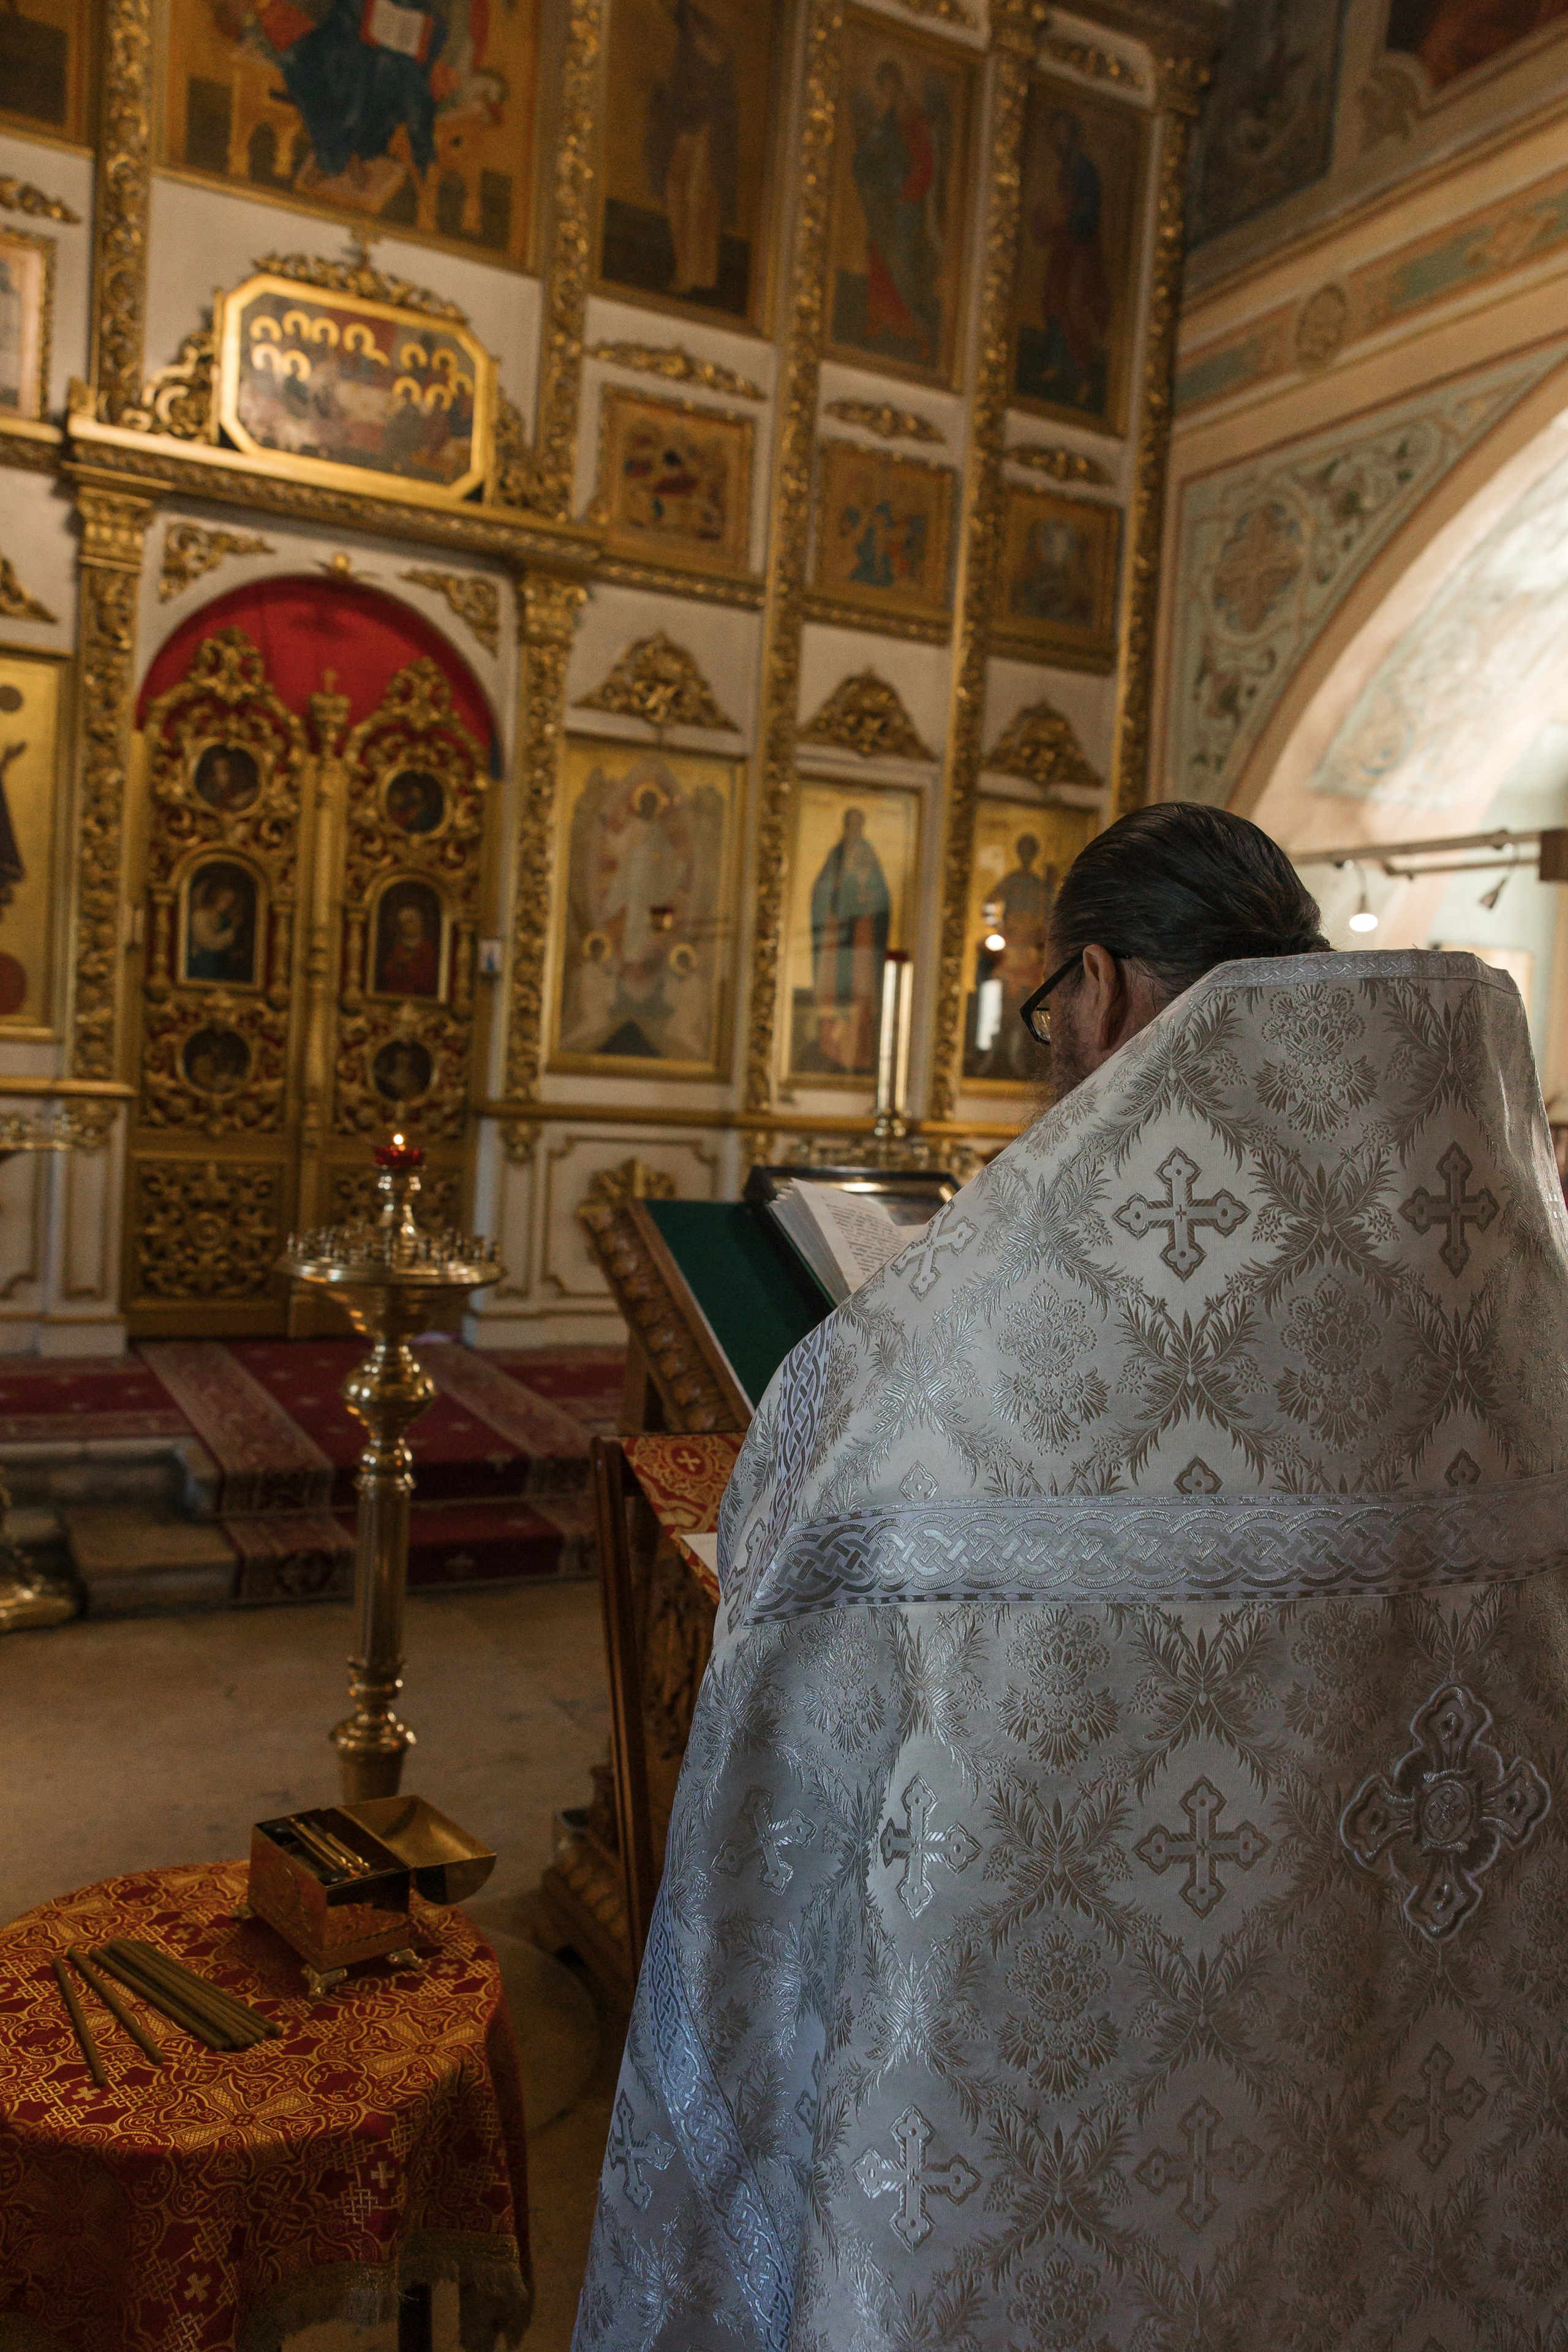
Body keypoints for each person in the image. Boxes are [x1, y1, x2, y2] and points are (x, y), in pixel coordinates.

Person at [574, 803, 1568, 2348]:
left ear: (1095, 987)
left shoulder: (1024, 1303)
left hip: (1094, 2068)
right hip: (1421, 2025)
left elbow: (814, 1517)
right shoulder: (1487, 1251)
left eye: (1047, 1018)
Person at [805, 805, 891, 1074]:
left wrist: (867, 899)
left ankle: (859, 1054)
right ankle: (833, 1051)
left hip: (862, 939)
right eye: (850, 823)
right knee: (835, 995)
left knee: (860, 996)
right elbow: (821, 892)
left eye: (858, 823)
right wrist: (834, 901)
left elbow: (882, 899)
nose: (854, 829)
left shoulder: (868, 855)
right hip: (838, 938)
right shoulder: (837, 855)